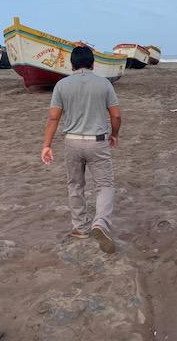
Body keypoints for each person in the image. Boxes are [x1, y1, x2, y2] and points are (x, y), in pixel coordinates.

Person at [41, 46, 121, 254]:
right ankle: (100, 224)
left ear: (72, 64)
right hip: (98, 142)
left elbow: (53, 118)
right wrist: (115, 134)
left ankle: (80, 228)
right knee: (105, 185)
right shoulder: (104, 84)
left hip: (72, 141)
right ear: (93, 63)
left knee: (75, 185)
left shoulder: (62, 85)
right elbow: (116, 115)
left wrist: (46, 145)